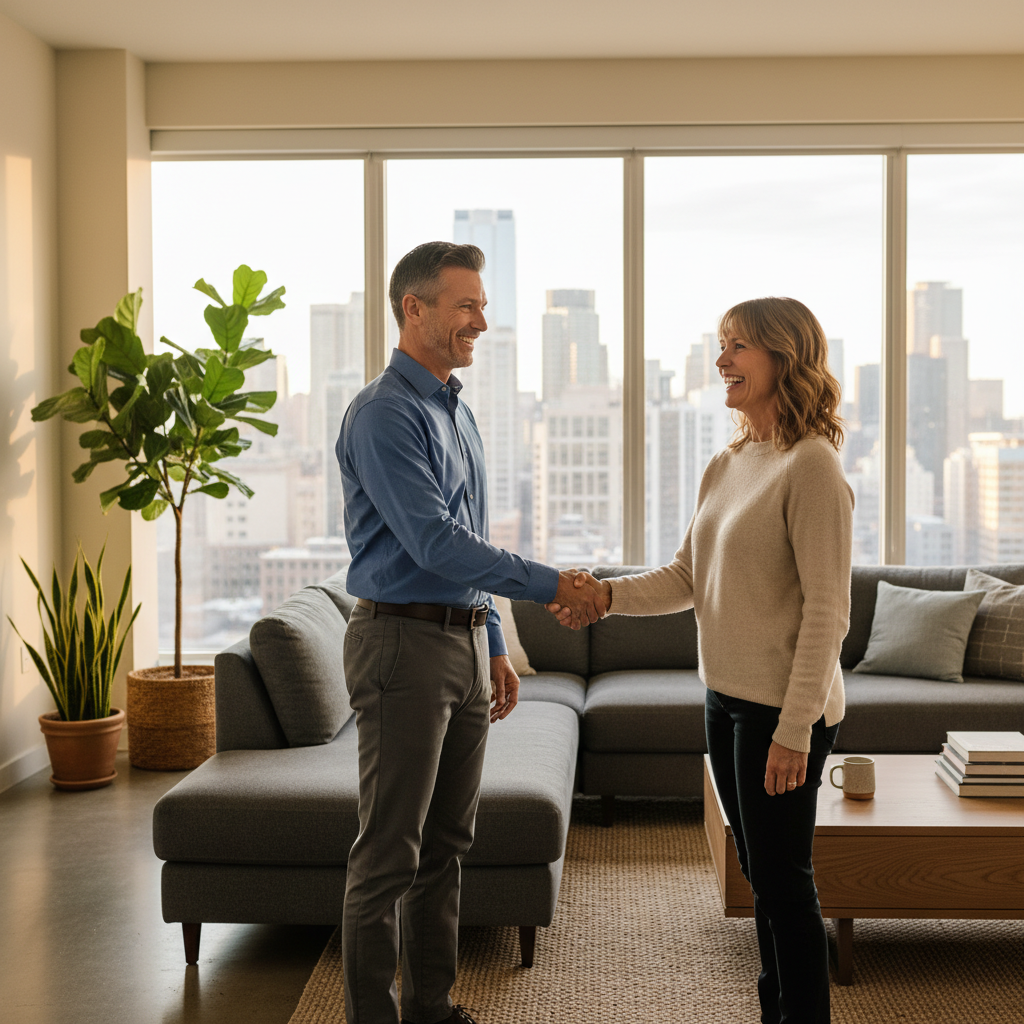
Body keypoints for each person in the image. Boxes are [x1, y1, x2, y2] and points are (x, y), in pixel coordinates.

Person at [554, 296, 853, 1024]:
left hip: (782, 710)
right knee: (758, 874)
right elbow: (686, 579)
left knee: (784, 880)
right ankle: (772, 1008)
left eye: (738, 346)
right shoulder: (728, 463)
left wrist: (794, 728)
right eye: (721, 344)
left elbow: (828, 612)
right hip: (724, 698)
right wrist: (605, 597)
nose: (722, 360)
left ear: (784, 356)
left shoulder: (811, 467)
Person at [336, 241, 605, 1024]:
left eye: (482, 305)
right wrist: (557, 583)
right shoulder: (385, 413)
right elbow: (437, 544)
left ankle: (432, 1008)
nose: (481, 321)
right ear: (412, 309)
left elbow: (472, 535)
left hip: (456, 643)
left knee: (448, 844)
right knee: (389, 854)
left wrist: (490, 643)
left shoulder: (455, 407)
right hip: (400, 648)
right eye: (465, 305)